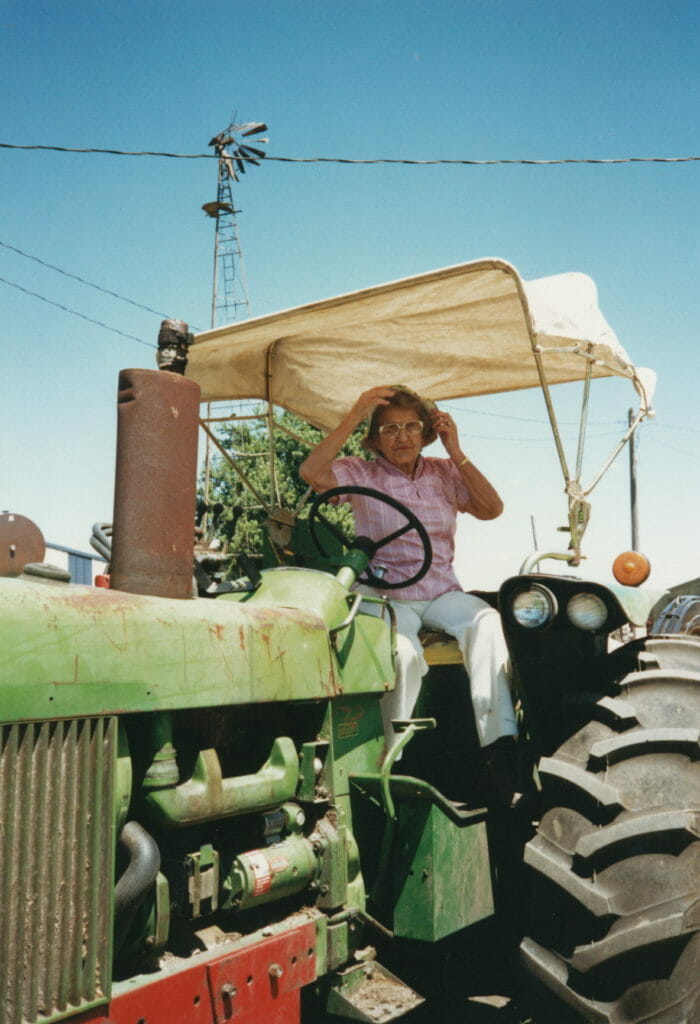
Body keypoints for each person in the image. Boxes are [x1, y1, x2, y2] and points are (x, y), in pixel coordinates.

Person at [300, 385, 518, 802]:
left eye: (411, 427)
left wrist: (457, 450)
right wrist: (356, 411)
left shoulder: (444, 472)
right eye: (389, 428)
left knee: (487, 623)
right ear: (375, 437)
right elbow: (313, 472)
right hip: (387, 594)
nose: (401, 436)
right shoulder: (359, 473)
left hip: (440, 590)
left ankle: (499, 749)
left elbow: (492, 509)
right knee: (400, 652)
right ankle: (392, 759)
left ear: (425, 433)